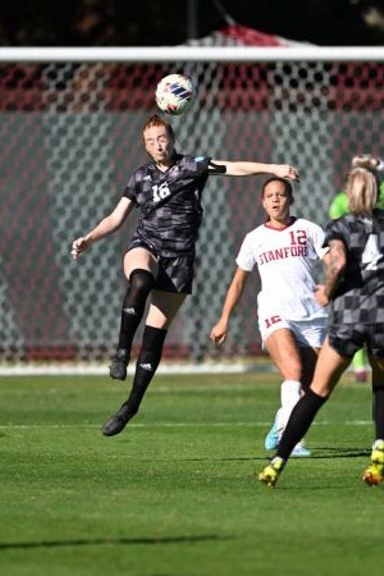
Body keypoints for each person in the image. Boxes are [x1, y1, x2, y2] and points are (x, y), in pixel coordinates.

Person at [71, 115, 299, 437]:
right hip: (146, 245)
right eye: (150, 141)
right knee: (140, 279)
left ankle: (131, 406)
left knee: (154, 337)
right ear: (145, 146)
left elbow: (232, 167)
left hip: (179, 260)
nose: (157, 146)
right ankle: (122, 351)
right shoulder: (140, 178)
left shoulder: (192, 167)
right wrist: (89, 239)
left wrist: (273, 169)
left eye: (162, 138)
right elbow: (116, 217)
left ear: (172, 138)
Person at [258, 161, 384, 488]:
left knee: (316, 391)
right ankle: (379, 449)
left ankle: (279, 460)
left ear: (349, 194)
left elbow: (336, 263)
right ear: (378, 192)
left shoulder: (340, 225)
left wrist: (329, 289)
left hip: (349, 318)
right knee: (383, 388)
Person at [209, 177, 328, 457]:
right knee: (293, 373)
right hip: (275, 314)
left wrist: (334, 285)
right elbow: (239, 281)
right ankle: (291, 439)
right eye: (270, 196)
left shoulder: (309, 230)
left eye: (281, 195)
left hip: (312, 317)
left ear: (291, 199)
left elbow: (333, 262)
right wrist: (224, 318)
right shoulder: (255, 238)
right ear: (263, 202)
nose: (276, 200)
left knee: (309, 389)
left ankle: (280, 423)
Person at [329, 154, 384, 383]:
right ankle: (362, 366)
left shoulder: (378, 193)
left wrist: (377, 164)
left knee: (357, 312)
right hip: (364, 263)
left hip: (372, 266)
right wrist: (380, 164)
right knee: (374, 311)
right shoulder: (343, 202)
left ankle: (366, 366)